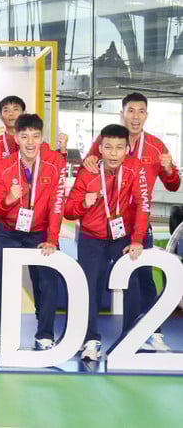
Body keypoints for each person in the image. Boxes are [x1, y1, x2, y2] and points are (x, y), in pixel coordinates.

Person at [80, 92, 179, 352]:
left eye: (141, 111)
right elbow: (90, 169)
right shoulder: (106, 139)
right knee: (100, 280)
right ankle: (91, 337)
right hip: (105, 223)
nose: (135, 116)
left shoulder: (157, 146)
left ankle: (151, 331)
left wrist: (169, 169)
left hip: (137, 224)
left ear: (146, 114)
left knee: (144, 278)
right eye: (131, 111)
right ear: (121, 113)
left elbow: (174, 185)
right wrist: (86, 160)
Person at [65, 124, 150, 361]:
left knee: (131, 281)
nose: (113, 153)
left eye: (119, 148)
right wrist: (85, 202)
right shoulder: (87, 172)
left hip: (121, 237)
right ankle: (90, 340)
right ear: (99, 149)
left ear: (127, 149)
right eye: (108, 147)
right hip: (91, 237)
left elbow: (143, 204)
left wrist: (137, 240)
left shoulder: (135, 169)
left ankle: (130, 338)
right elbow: (69, 211)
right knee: (88, 286)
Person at [0, 114, 67, 358]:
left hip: (40, 231)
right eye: (24, 136)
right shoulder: (3, 167)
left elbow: (57, 204)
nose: (30, 142)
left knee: (46, 281)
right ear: (16, 138)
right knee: (1, 281)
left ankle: (44, 334)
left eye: (35, 136)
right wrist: (9, 199)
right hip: (9, 231)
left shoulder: (54, 164)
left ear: (41, 137)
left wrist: (52, 239)